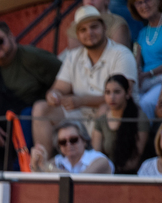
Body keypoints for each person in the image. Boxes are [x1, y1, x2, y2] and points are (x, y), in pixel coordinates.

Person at [34, 6, 137, 155]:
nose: (89, 33)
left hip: (115, 114)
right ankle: (44, 166)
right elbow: (59, 88)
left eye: (94, 27)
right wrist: (54, 95)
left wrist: (81, 101)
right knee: (40, 108)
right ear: (78, 35)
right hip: (81, 115)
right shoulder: (73, 56)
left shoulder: (121, 54)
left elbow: (123, 96)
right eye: (83, 30)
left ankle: (95, 165)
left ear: (104, 27)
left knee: (105, 109)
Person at [0, 20, 60, 171]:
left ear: (11, 36)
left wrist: (53, 96)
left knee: (28, 114)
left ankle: (19, 173)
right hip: (2, 131)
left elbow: (64, 77)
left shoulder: (33, 57)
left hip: (30, 124)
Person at [92, 74, 149, 172]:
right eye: (107, 92)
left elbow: (134, 161)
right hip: (106, 174)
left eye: (117, 92)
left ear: (128, 93)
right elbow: (96, 155)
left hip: (131, 176)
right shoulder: (101, 120)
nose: (112, 97)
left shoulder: (140, 119)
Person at [30, 119, 114, 172]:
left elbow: (77, 181)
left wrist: (46, 166)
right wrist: (36, 164)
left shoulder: (100, 160)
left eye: (73, 140)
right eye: (63, 142)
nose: (68, 144)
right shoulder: (58, 161)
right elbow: (40, 179)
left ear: (84, 140)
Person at [133, 0, 162, 119]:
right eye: (139, 2)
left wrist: (147, 74)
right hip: (146, 80)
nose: (144, 6)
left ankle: (142, 136)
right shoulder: (143, 32)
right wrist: (138, 73)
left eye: (147, 0)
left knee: (146, 103)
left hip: (159, 80)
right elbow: (136, 58)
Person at [66, 0, 134, 48]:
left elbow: (119, 56)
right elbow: (75, 58)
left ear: (107, 1)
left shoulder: (118, 23)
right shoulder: (74, 26)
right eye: (83, 29)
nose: (90, 0)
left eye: (94, 27)